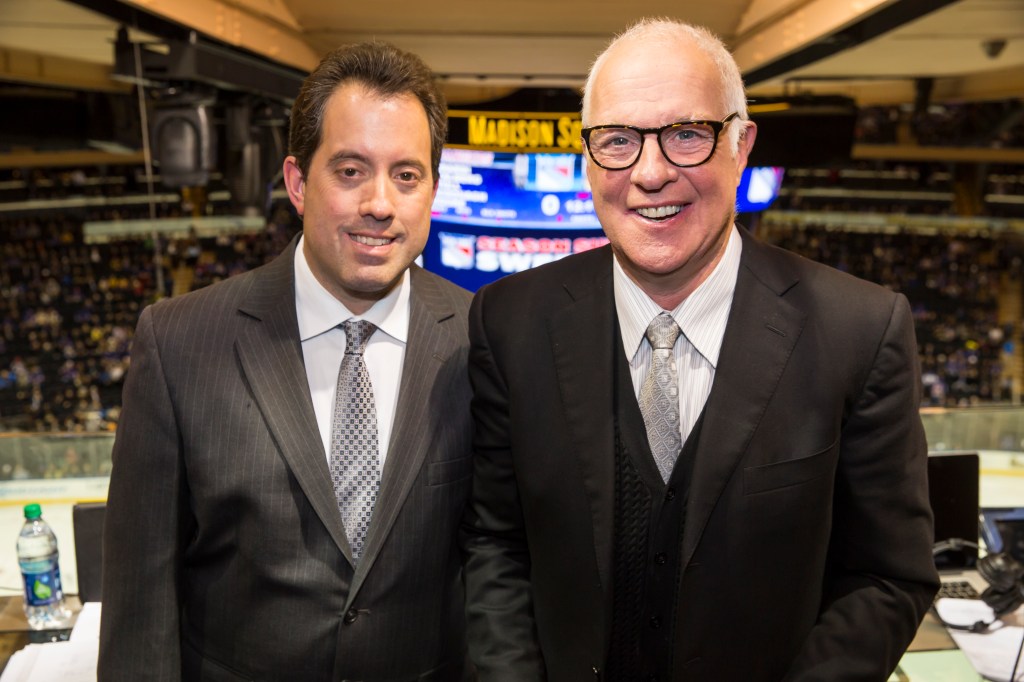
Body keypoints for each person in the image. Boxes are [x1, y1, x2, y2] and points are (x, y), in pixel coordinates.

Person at [461, 18, 939, 681]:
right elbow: (495, 544)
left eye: (687, 134)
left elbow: (888, 576)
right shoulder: (510, 321)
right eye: (618, 140)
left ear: (742, 146)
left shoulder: (859, 329)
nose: (650, 173)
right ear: (588, 158)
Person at [99, 42, 476, 681]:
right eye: (351, 170)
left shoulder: (481, 337)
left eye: (407, 175)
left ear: (432, 190)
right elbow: (141, 599)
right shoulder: (178, 341)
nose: (381, 203)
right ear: (299, 183)